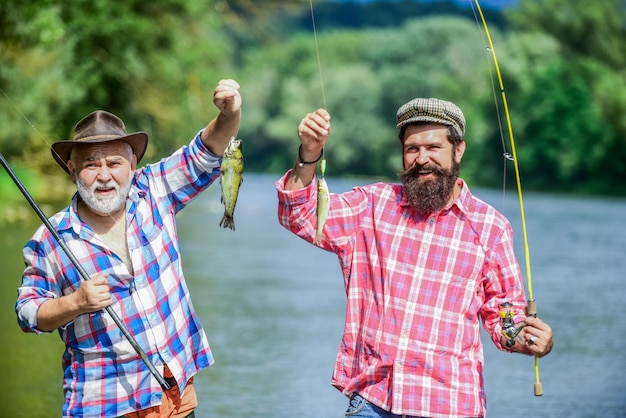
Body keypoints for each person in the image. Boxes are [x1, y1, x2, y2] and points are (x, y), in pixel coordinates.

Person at [276, 98, 554, 418]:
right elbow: (298, 215)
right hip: (373, 402)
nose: (422, 159)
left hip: (451, 405)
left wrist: (531, 339)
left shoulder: (491, 228)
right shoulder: (371, 207)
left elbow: (504, 320)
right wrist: (309, 153)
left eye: (433, 147)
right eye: (412, 149)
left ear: (458, 150)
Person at [15, 79, 242, 418]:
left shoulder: (155, 189)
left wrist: (230, 115)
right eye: (91, 164)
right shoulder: (51, 238)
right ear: (72, 170)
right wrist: (74, 302)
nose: (104, 175)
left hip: (175, 395)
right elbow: (28, 313)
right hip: (104, 405)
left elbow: (205, 152)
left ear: (133, 164)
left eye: (114, 163)